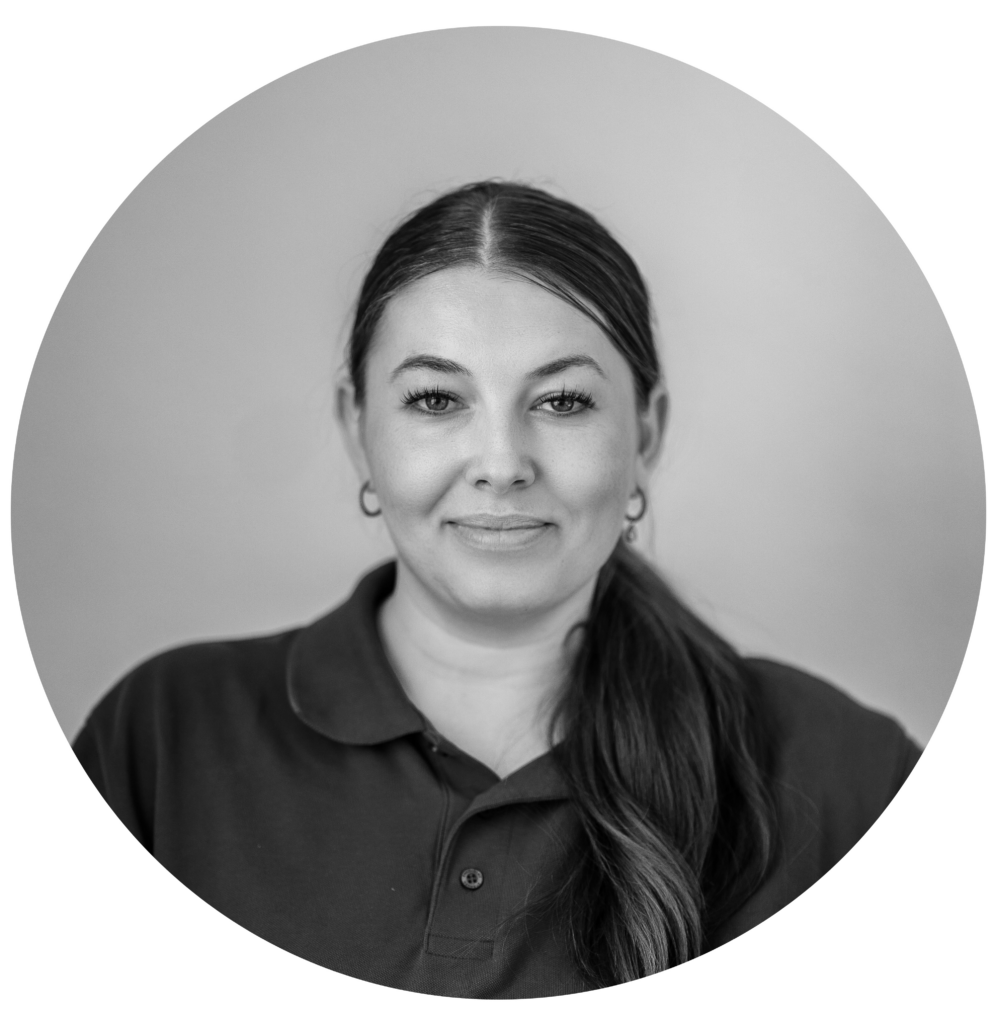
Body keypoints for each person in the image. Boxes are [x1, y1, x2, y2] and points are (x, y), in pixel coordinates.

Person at [73, 180, 921, 998]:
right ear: (356, 429)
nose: (502, 464)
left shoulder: (847, 777)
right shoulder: (161, 742)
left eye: (562, 401)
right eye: (436, 399)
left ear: (646, 434)